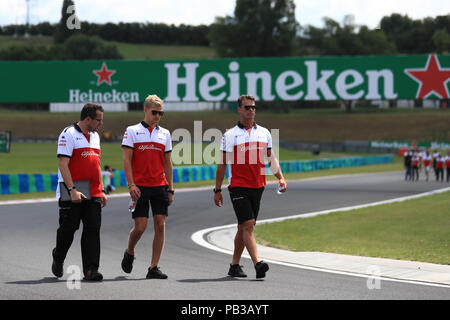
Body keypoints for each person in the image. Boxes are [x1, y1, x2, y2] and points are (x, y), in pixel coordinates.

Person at [214, 94, 287, 279]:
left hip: (258, 185)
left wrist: (281, 177)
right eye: (247, 107)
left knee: (243, 227)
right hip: (238, 186)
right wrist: (217, 189)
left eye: (253, 107)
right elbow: (222, 164)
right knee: (248, 225)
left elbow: (270, 157)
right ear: (239, 109)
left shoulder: (264, 133)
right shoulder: (230, 135)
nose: (251, 110)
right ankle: (257, 263)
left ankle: (234, 265)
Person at [52, 103, 107, 281]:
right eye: (99, 120)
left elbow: (96, 165)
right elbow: (63, 164)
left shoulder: (96, 136)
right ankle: (58, 256)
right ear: (88, 119)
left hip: (93, 190)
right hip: (72, 189)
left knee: (92, 230)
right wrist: (72, 189)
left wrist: (102, 189)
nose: (100, 124)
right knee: (68, 230)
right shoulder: (68, 134)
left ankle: (91, 270)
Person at [121, 94, 174, 279]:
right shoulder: (132, 131)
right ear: (145, 110)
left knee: (160, 225)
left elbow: (168, 163)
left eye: (161, 113)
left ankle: (153, 267)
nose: (157, 116)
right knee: (141, 227)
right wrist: (131, 184)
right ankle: (130, 250)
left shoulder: (165, 134)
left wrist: (170, 188)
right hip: (140, 187)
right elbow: (126, 160)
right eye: (154, 112)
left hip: (160, 186)